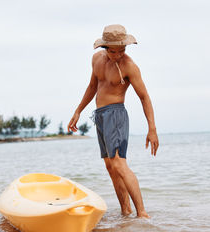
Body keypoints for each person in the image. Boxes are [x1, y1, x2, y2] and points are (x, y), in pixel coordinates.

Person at [67, 24, 159, 218]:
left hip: (116, 115)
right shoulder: (96, 60)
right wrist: (78, 111)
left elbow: (144, 97)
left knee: (118, 163)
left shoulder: (129, 66)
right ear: (105, 47)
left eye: (122, 50)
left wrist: (152, 129)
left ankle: (142, 214)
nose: (118, 55)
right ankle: (125, 211)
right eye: (113, 51)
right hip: (100, 115)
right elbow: (93, 86)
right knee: (110, 166)